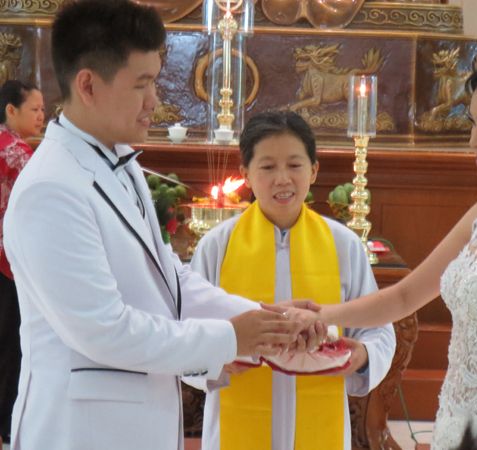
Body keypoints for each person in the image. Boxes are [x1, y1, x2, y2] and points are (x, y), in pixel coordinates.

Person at [2, 2, 305, 450]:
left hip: (138, 425)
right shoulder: (50, 188)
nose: (155, 101)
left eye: (155, 82)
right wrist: (229, 336)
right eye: (142, 84)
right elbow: (105, 331)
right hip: (81, 433)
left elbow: (168, 276)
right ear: (87, 84)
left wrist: (258, 318)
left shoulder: (117, 162)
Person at [280, 47, 477, 448]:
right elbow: (405, 296)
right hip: (455, 420)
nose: (473, 141)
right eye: (472, 124)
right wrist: (320, 313)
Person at [188, 111, 395, 450]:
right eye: (267, 167)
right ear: (246, 175)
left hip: (321, 425)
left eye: (295, 165)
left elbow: (378, 330)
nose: (282, 179)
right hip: (236, 422)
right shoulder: (218, 245)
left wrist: (362, 356)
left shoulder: (343, 245)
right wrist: (217, 357)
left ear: (314, 170)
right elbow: (186, 329)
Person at [0, 80, 44, 444]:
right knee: (10, 351)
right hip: (8, 267)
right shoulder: (17, 153)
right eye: (35, 110)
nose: (42, 117)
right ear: (10, 111)